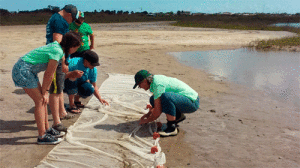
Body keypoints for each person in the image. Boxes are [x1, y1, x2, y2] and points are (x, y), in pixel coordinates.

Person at [12, 32, 82, 144]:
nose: (76, 50)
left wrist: (45, 92)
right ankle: (42, 136)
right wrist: (45, 92)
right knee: (40, 101)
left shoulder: (58, 47)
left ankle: (47, 129)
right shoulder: (57, 52)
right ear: (71, 46)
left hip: (28, 70)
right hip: (23, 71)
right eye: (76, 48)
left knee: (44, 101)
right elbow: (49, 75)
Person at [133, 70, 200, 137]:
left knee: (166, 97)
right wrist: (148, 114)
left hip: (192, 102)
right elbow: (157, 104)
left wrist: (147, 120)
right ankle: (178, 116)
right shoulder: (154, 81)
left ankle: (172, 128)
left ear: (144, 81)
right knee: (153, 99)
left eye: (139, 85)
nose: (140, 87)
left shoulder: (158, 84)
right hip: (184, 99)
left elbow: (158, 111)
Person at [46, 4, 80, 131]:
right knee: (55, 89)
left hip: (56, 57)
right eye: (72, 19)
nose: (71, 22)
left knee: (60, 87)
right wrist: (64, 61)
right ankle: (56, 122)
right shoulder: (60, 21)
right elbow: (57, 42)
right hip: (56, 59)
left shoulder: (56, 18)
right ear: (69, 14)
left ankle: (62, 113)